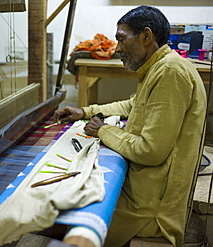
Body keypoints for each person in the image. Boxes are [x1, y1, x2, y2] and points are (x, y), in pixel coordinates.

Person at [54, 5, 206, 247]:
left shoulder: (170, 72)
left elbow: (150, 151)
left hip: (151, 210)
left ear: (146, 36)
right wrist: (84, 112)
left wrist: (102, 130)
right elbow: (133, 105)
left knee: (61, 220)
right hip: (147, 192)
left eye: (122, 39)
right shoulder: (161, 66)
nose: (117, 49)